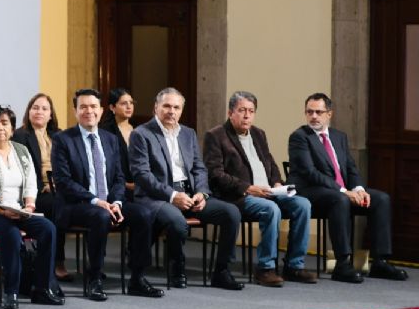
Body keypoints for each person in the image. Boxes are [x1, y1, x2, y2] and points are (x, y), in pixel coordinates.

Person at [52, 89, 163, 301]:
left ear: (102, 110)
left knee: (144, 214)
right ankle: (94, 279)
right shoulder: (63, 140)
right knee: (100, 216)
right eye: (83, 107)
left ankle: (137, 279)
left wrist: (118, 202)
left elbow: (119, 178)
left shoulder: (110, 139)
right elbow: (64, 182)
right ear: (75, 111)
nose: (88, 111)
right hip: (77, 204)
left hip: (110, 202)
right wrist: (96, 201)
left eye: (93, 106)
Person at [129, 87, 244, 291]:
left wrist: (202, 193)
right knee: (177, 222)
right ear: (156, 107)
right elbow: (142, 175)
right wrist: (173, 195)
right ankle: (177, 269)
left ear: (181, 110)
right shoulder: (141, 134)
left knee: (231, 213)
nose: (171, 111)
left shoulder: (188, 133)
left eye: (176, 107)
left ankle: (221, 271)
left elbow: (199, 167)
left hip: (190, 194)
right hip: (158, 196)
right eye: (166, 106)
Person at [287, 92, 408, 283]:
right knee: (340, 199)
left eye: (319, 112)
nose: (314, 116)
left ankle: (380, 262)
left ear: (329, 114)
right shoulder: (300, 137)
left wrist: (358, 188)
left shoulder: (338, 136)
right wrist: (344, 191)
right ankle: (342, 264)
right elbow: (311, 173)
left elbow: (350, 168)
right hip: (311, 192)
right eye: (309, 112)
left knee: (381, 199)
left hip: (340, 192)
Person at [203, 91, 316, 287]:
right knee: (271, 209)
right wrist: (248, 188)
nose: (247, 115)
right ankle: (265, 268)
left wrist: (278, 183)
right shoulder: (216, 135)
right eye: (242, 110)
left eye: (251, 111)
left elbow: (270, 163)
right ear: (231, 113)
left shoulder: (258, 133)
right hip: (238, 196)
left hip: (269, 191)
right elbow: (215, 174)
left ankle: (293, 265)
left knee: (303, 204)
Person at [0, 105, 63, 309]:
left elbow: (31, 183)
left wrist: (29, 205)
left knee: (48, 229)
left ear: (12, 128)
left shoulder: (22, 151)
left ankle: (42, 288)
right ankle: (12, 292)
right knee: (11, 233)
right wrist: (1, 211)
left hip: (18, 211)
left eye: (4, 123)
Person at [12, 93, 71, 281]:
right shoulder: (20, 136)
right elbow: (19, 171)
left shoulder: (59, 136)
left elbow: (69, 165)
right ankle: (56, 261)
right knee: (57, 205)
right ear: (29, 112)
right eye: (35, 107)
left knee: (69, 203)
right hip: (34, 192)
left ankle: (52, 256)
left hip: (59, 188)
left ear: (51, 114)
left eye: (44, 108)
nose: (39, 112)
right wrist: (42, 188)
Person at [98, 88, 137, 194]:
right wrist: (126, 185)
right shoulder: (105, 131)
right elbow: (104, 165)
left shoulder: (138, 130)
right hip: (117, 188)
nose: (129, 106)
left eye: (131, 103)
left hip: (139, 185)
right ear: (112, 107)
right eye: (124, 103)